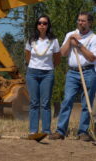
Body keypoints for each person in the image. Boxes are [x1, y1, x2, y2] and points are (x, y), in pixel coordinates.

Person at [49, 12, 96, 141]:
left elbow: (92, 58)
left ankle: (83, 132)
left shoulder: (93, 38)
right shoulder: (70, 35)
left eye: (83, 21)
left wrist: (79, 46)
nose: (80, 23)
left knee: (87, 102)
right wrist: (70, 41)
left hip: (89, 72)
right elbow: (63, 53)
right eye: (79, 20)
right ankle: (60, 131)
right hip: (72, 73)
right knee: (67, 100)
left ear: (89, 22)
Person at [25, 15, 60, 136]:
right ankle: (33, 130)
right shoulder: (31, 40)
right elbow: (28, 56)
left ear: (48, 25)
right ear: (37, 25)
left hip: (47, 74)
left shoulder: (54, 40)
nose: (42, 25)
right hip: (32, 73)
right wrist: (35, 66)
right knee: (34, 103)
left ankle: (46, 131)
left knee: (45, 103)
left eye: (45, 23)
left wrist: (48, 68)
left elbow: (57, 58)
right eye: (40, 23)